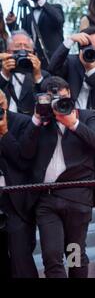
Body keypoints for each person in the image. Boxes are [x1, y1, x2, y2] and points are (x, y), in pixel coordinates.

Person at [20, 76, 95, 278]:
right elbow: (25, 152)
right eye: (54, 99)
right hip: (47, 200)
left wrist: (73, 123)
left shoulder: (85, 116)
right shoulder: (42, 120)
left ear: (70, 95)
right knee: (51, 256)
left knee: (75, 255)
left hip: (78, 198)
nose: (59, 103)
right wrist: (36, 120)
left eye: (63, 98)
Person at [0, 89, 39, 278]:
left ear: (5, 103)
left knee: (21, 257)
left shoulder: (22, 122)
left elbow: (24, 160)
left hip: (16, 201)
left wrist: (5, 134)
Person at [49, 27, 95, 110]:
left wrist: (91, 71)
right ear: (81, 50)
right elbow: (52, 68)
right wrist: (70, 40)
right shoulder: (71, 62)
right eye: (92, 49)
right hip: (70, 113)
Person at [5, 0, 64, 70]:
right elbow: (22, 36)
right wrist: (11, 23)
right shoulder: (28, 17)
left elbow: (59, 20)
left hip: (54, 60)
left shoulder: (56, 8)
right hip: (33, 62)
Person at [0, 30, 48, 116]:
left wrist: (37, 76)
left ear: (33, 53)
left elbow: (47, 101)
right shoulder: (2, 72)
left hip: (30, 124)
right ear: (8, 52)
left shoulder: (43, 75)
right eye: (17, 46)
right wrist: (4, 75)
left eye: (26, 47)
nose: (22, 50)